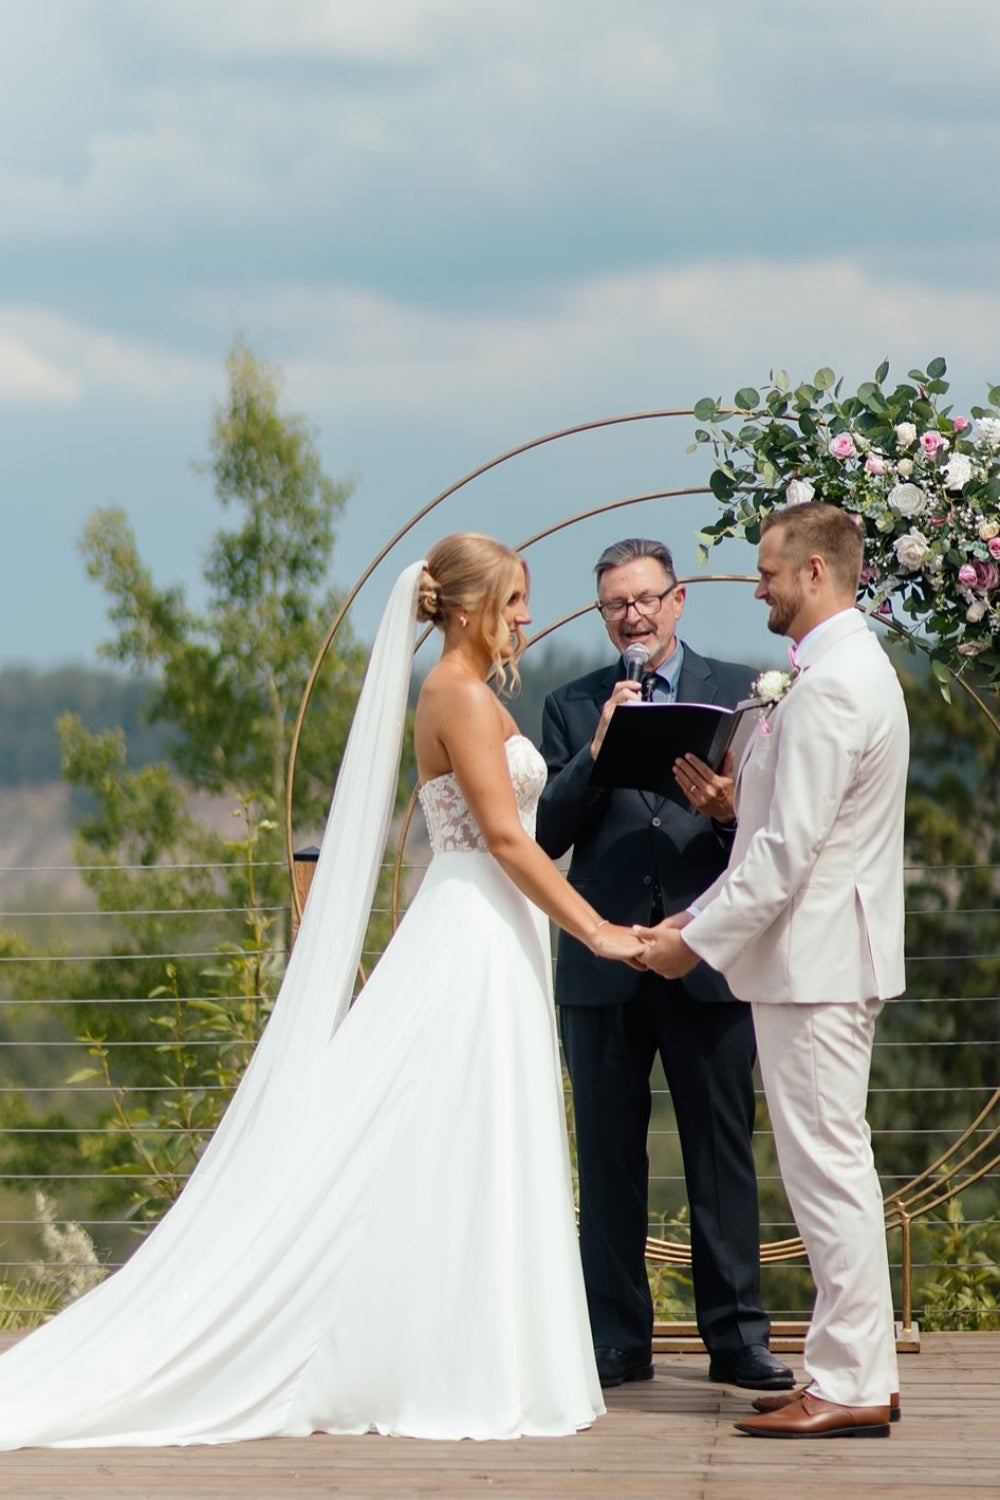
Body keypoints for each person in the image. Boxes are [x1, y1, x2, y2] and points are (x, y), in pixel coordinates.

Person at [0, 532, 649, 1449]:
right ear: (465, 608)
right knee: (447, 1127)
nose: (526, 619)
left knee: (474, 1135)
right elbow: (507, 841)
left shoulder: (470, 695)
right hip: (469, 926)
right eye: (512, 602)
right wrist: (601, 931)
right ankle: (433, 1357)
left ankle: (472, 1344)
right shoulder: (455, 696)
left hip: (495, 930)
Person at [637, 502, 907, 1439]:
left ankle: (849, 1384)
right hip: (817, 956)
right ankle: (849, 1365)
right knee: (830, 1166)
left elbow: (787, 854)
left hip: (820, 960)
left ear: (817, 575)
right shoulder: (836, 672)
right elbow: (773, 833)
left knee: (828, 1169)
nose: (756, 585)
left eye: (768, 570)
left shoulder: (831, 688)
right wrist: (698, 906)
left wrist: (691, 939)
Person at [536, 537, 793, 1393]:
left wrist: (730, 810)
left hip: (707, 955)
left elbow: (778, 835)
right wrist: (597, 748)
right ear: (603, 614)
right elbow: (544, 838)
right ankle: (615, 1339)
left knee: (720, 1153)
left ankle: (736, 1338)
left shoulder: (741, 691)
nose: (633, 616)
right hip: (603, 962)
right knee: (606, 1159)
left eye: (646, 599)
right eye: (616, 605)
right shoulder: (572, 703)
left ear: (677, 601)